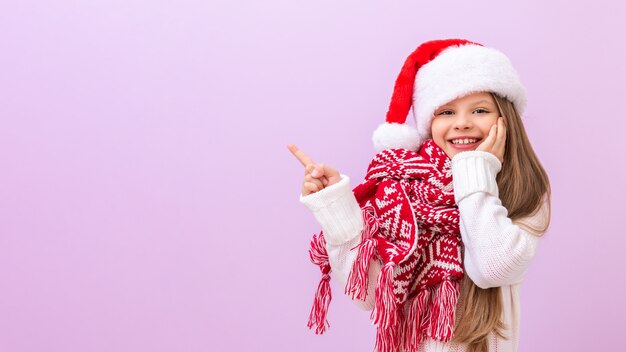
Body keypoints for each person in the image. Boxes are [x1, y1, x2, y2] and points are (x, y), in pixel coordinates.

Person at [288, 39, 551, 352]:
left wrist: (474, 170)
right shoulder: (400, 189)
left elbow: (493, 268)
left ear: (504, 121)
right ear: (429, 124)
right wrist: (337, 207)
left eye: (480, 110)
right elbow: (367, 294)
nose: (462, 122)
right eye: (446, 111)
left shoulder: (523, 191)